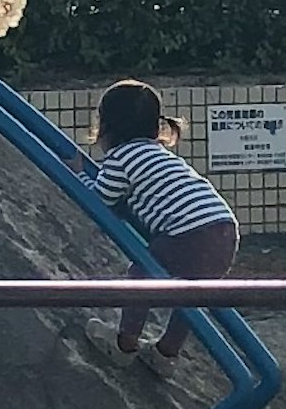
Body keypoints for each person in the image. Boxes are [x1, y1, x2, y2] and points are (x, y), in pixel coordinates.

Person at [86, 79, 239, 360]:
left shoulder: (121, 158)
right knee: (191, 295)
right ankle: (167, 352)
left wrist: (78, 174)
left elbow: (100, 199)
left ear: (106, 127)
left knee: (141, 273)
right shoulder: (161, 155)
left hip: (188, 233)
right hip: (224, 228)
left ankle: (125, 342)